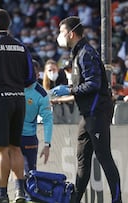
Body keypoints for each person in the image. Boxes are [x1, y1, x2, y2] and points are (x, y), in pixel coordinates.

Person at [52, 16, 122, 203]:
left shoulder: (86, 53)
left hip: (96, 113)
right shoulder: (77, 53)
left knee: (104, 157)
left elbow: (93, 84)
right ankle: (75, 199)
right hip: (87, 115)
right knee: (82, 159)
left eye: (62, 32)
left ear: (71, 33)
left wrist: (69, 89)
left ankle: (117, 200)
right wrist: (66, 94)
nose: (59, 36)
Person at [0, 9, 36, 202]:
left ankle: (2, 193)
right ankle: (20, 191)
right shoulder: (21, 47)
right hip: (19, 99)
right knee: (15, 147)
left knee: (1, 149)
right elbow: (31, 78)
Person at [19, 59, 53, 176]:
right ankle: (7, 193)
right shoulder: (13, 87)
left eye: (32, 73)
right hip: (11, 135)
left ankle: (28, 194)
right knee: (11, 167)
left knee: (30, 173)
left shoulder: (41, 94)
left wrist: (47, 144)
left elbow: (48, 120)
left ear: (38, 75)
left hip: (28, 137)